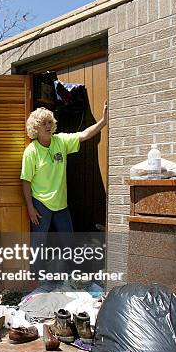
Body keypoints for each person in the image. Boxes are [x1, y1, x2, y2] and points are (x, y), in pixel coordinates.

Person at [21, 104, 107, 281]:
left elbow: (84, 135)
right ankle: (38, 280)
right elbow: (25, 182)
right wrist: (30, 208)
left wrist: (103, 122)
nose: (48, 125)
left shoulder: (60, 141)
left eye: (49, 122)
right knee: (39, 243)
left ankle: (69, 276)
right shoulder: (31, 151)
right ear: (35, 128)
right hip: (40, 204)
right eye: (43, 123)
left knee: (68, 241)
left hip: (61, 204)